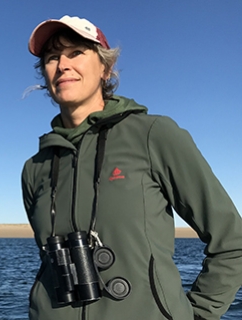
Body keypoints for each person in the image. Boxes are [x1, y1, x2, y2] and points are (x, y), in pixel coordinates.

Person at [21, 15, 242, 320]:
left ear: (105, 69)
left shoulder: (154, 135)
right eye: (52, 57)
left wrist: (199, 314)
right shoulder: (36, 167)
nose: (62, 65)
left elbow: (232, 241)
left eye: (76, 53)